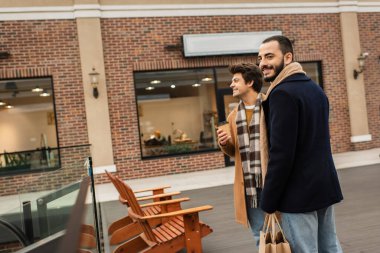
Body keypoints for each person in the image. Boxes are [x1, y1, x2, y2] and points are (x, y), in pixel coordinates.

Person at [257, 35, 344, 252]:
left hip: (297, 193)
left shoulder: (281, 93)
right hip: (323, 185)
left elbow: (281, 153)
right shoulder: (315, 89)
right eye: (260, 58)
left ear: (288, 57)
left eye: (269, 56)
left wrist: (268, 201)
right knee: (330, 246)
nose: (262, 63)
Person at [217, 63, 267, 246]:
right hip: (249, 186)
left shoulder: (270, 106)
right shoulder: (233, 116)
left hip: (272, 182)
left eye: (236, 80)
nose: (231, 84)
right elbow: (233, 152)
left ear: (250, 82)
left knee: (285, 230)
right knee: (259, 235)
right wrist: (225, 143)